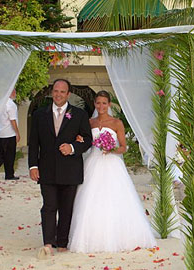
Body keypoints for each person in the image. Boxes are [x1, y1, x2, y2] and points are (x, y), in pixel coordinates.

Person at [68, 90, 156, 253]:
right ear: (95, 104)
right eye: (98, 103)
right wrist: (80, 140)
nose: (101, 106)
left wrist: (111, 148)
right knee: (90, 198)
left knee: (115, 198)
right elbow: (85, 140)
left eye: (104, 103)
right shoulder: (89, 122)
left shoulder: (117, 123)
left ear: (109, 105)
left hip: (112, 163)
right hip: (93, 162)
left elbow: (123, 147)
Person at [28, 79, 92, 257]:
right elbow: (33, 143)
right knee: (49, 206)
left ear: (68, 94)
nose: (58, 94)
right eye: (56, 91)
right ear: (52, 92)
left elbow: (87, 140)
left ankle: (62, 242)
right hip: (46, 168)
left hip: (70, 169)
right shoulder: (40, 114)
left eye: (62, 92)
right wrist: (33, 165)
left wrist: (72, 148)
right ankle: (48, 243)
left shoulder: (79, 114)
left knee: (66, 207)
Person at [0, 89, 20, 180]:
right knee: (10, 155)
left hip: (0, 132)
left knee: (1, 153)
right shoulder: (11, 105)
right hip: (9, 133)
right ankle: (9, 174)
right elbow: (12, 120)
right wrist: (17, 133)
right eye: (14, 92)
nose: (15, 94)